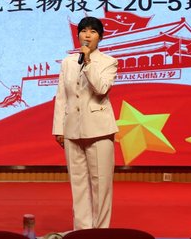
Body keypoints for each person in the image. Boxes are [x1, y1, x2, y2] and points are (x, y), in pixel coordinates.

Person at [52, 16, 119, 230]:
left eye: (93, 31)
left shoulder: (108, 61)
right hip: (72, 129)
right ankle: (82, 231)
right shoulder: (67, 62)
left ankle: (100, 231)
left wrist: (88, 62)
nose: (87, 35)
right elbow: (62, 96)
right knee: (78, 184)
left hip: (100, 130)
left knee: (101, 184)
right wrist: (59, 129)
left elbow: (101, 89)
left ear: (100, 37)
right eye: (83, 31)